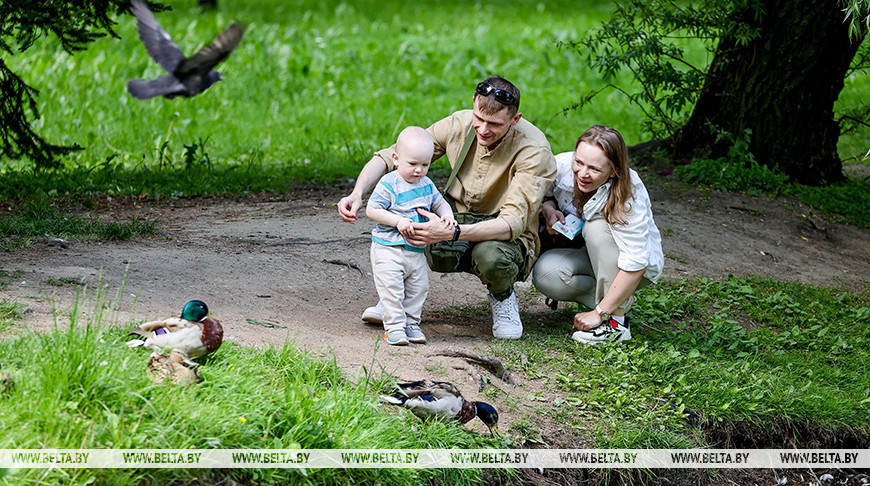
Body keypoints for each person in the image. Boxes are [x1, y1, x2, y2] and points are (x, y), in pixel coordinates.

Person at [338, 75, 556, 339]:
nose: (483, 129)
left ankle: (503, 296)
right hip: (456, 213)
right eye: (479, 118)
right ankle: (394, 300)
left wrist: (450, 233)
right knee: (408, 217)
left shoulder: (534, 150)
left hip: (504, 231)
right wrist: (358, 193)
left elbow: (512, 223)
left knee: (492, 259)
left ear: (515, 119)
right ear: (474, 104)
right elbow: (392, 155)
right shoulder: (459, 124)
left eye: (494, 124)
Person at [531, 125, 664, 344]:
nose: (582, 174)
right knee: (547, 274)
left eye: (594, 169)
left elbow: (637, 261)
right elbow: (545, 194)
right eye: (579, 162)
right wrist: (548, 209)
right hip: (588, 253)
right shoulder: (560, 166)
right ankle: (615, 300)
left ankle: (615, 323)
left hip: (631, 266)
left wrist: (599, 313)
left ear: (613, 171)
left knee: (595, 227)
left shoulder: (630, 193)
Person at [366, 127, 456, 346]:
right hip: (389, 248)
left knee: (418, 287)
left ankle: (411, 323)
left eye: (425, 165)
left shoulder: (426, 184)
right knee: (393, 289)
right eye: (412, 164)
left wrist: (447, 216)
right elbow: (372, 209)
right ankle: (394, 328)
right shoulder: (389, 183)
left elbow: (439, 202)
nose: (418, 170)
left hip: (415, 250)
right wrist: (398, 221)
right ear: (396, 159)